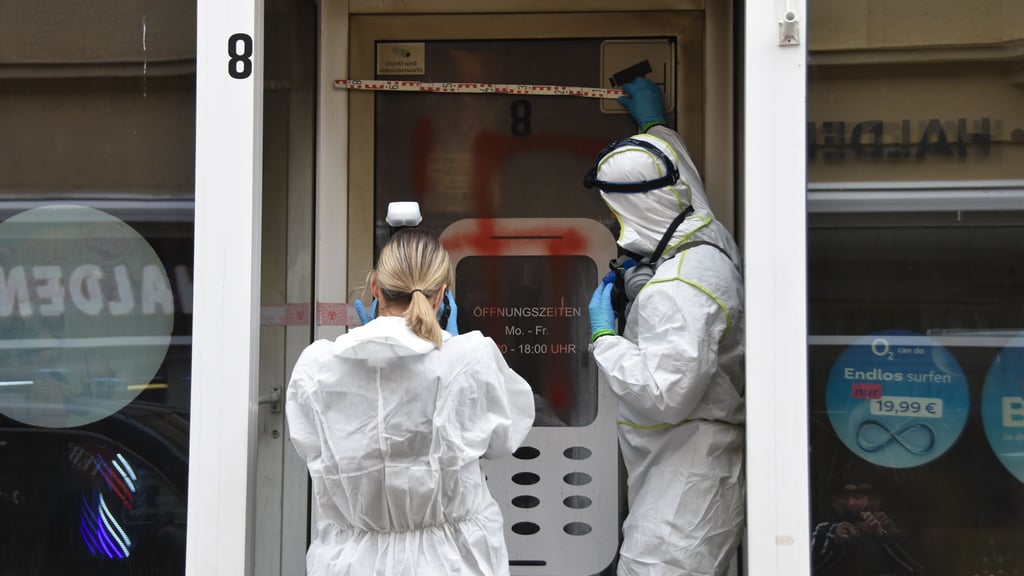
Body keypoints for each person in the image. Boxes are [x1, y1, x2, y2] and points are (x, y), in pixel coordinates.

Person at [285, 228, 536, 576]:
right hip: (452, 562)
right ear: (441, 296)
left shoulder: (317, 367)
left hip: (351, 562)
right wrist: (457, 359)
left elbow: (309, 446)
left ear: (375, 287)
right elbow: (502, 441)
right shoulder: (472, 358)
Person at [585, 77, 746, 576]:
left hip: (684, 488)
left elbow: (663, 395)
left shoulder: (675, 291)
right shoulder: (708, 236)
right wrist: (655, 126)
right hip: (695, 464)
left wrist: (605, 338)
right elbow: (681, 176)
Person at [811, 470, 924, 575]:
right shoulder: (824, 531)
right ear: (834, 502)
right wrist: (835, 544)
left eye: (858, 497)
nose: (851, 503)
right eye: (844, 497)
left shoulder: (886, 529)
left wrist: (882, 537)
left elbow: (913, 571)